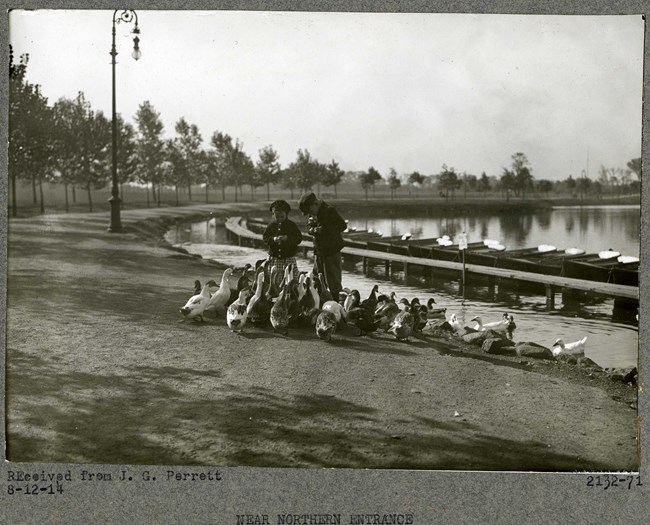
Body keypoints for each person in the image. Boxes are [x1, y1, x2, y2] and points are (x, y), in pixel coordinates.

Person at [298, 191, 346, 302]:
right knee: (317, 278)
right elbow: (309, 226)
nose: (310, 214)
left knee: (333, 280)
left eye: (310, 211)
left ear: (315, 204)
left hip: (331, 251)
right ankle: (319, 301)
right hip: (319, 251)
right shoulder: (312, 212)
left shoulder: (329, 211)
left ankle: (335, 303)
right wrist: (313, 230)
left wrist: (324, 229)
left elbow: (342, 226)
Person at [262, 200, 303, 286]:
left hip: (288, 258)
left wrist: (288, 238)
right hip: (275, 258)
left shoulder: (292, 225)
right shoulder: (271, 225)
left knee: (292, 279)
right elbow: (265, 237)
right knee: (275, 280)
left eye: (282, 217)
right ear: (273, 215)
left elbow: (298, 238)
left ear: (286, 214)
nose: (279, 219)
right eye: (277, 217)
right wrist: (273, 239)